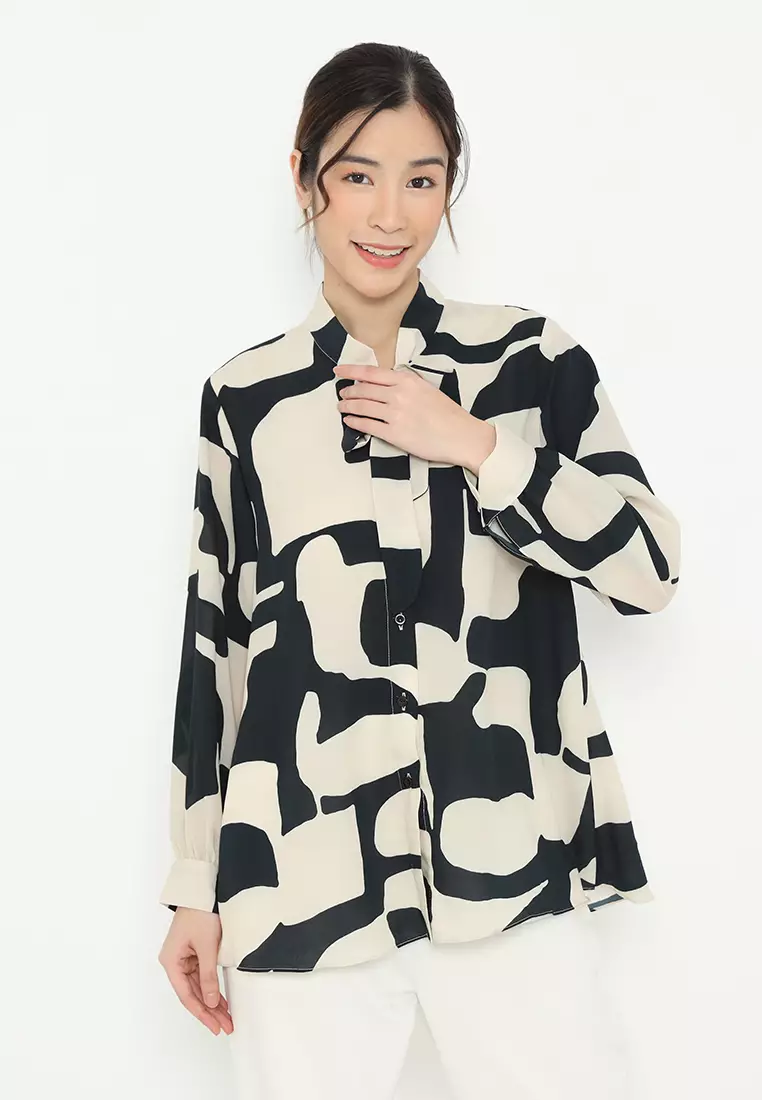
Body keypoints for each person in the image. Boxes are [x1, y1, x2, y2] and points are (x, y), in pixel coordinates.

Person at [157, 40, 680, 1100]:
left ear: (451, 186)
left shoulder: (529, 363)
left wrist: (478, 446)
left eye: (422, 179)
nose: (390, 215)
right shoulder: (246, 398)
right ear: (303, 176)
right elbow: (215, 649)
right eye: (358, 175)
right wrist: (194, 882)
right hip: (298, 878)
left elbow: (649, 567)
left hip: (511, 866)